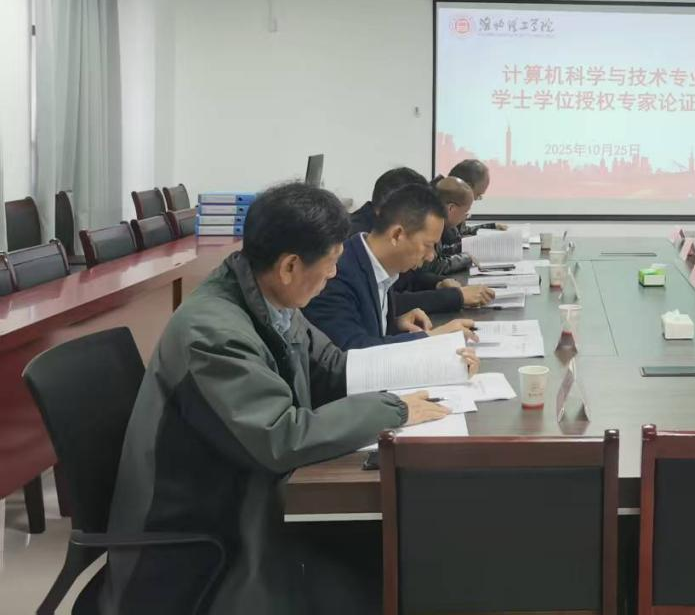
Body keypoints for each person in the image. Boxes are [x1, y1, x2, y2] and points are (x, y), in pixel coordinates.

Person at [103, 183, 474, 615]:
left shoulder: (269, 300)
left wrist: (430, 359)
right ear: (290, 266)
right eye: (331, 262)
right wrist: (396, 409)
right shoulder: (213, 333)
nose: (334, 274)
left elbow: (332, 366)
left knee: (396, 558)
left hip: (251, 499)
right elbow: (281, 436)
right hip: (207, 540)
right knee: (384, 574)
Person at [304, 183, 478, 350]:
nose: (431, 256)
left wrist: (393, 326)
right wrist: (431, 338)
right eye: (427, 245)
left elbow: (363, 331)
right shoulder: (337, 274)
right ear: (396, 235)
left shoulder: (378, 265)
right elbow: (351, 352)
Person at [353, 167, 492, 313]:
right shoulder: (357, 242)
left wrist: (437, 283)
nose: (431, 256)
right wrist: (455, 297)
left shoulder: (382, 229)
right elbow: (386, 302)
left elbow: (406, 279)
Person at [448, 158, 506, 234]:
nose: (475, 199)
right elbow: (452, 239)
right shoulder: (438, 208)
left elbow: (463, 232)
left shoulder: (454, 201)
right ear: (467, 187)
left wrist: (492, 226)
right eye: (477, 194)